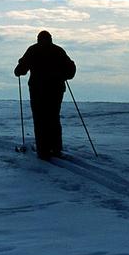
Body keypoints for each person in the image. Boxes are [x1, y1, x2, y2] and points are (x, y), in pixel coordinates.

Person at [14, 30, 76, 160]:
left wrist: (18, 70)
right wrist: (63, 76)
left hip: (38, 90)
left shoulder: (33, 50)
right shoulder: (58, 50)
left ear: (38, 39)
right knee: (53, 117)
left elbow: (22, 69)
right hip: (56, 90)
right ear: (51, 39)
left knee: (40, 118)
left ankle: (43, 150)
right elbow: (71, 69)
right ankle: (56, 148)